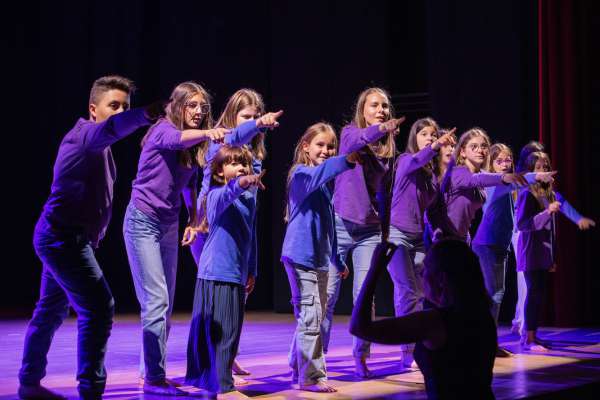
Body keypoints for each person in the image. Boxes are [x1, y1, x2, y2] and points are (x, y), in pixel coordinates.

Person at [19, 76, 159, 400]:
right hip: (62, 240)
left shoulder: (99, 145)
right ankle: (91, 391)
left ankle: (28, 383)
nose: (121, 111)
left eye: (125, 106)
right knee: (99, 307)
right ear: (93, 109)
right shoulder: (87, 136)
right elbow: (111, 129)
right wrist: (145, 114)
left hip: (60, 237)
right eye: (114, 106)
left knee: (50, 310)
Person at [123, 81, 227, 395]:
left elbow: (188, 184)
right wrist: (209, 134)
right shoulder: (163, 129)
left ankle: (149, 372)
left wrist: (194, 218)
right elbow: (178, 139)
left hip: (168, 225)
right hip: (142, 221)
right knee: (156, 302)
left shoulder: (193, 145)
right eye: (192, 105)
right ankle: (154, 378)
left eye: (202, 107)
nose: (198, 112)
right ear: (177, 106)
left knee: (162, 307)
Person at [350, 239, 497, 399]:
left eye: (427, 268)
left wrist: (375, 269)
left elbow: (359, 327)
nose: (421, 273)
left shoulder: (434, 323)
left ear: (442, 279)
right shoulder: (482, 314)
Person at [324, 87, 404, 378]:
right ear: (363, 110)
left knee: (363, 297)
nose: (381, 109)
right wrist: (381, 128)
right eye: (375, 105)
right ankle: (315, 359)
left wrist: (384, 234)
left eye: (385, 105)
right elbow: (359, 138)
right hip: (340, 225)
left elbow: (386, 195)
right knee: (328, 295)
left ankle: (361, 356)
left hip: (369, 231)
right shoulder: (349, 134)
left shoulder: (388, 150)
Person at [185, 146, 264, 394]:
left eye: (244, 163)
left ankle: (213, 382)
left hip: (235, 274)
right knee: (222, 333)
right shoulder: (216, 195)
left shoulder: (248, 200)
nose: (241, 167)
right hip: (216, 272)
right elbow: (230, 191)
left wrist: (252, 269)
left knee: (230, 331)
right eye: (233, 163)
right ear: (219, 171)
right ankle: (223, 387)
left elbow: (251, 236)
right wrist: (243, 181)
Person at [472, 144, 555, 357]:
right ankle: (486, 343)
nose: (505, 164)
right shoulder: (497, 183)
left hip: (499, 243)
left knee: (495, 294)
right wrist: (539, 175)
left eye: (508, 159)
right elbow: (522, 181)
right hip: (488, 243)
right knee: (495, 294)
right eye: (499, 160)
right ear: (491, 163)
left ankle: (486, 341)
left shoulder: (506, 184)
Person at [387, 118, 456, 368]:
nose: (429, 137)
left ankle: (410, 348)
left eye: (433, 134)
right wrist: (436, 145)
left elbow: (435, 212)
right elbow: (419, 159)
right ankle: (409, 352)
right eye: (424, 134)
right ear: (414, 138)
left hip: (417, 240)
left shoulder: (431, 177)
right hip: (395, 235)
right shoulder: (406, 160)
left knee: (414, 295)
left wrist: (441, 232)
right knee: (408, 292)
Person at [515, 151, 595, 351]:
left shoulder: (550, 194)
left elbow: (566, 207)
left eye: (546, 166)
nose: (543, 171)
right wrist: (546, 212)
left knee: (539, 293)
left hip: (544, 254)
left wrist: (579, 219)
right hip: (531, 252)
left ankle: (532, 335)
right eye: (539, 167)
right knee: (533, 293)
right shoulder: (527, 194)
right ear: (531, 171)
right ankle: (529, 339)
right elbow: (523, 224)